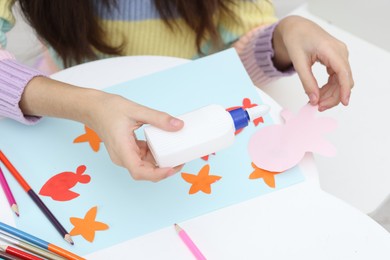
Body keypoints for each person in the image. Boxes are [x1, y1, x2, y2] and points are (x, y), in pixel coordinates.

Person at [0, 0, 354, 182]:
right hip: (59, 108)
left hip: (184, 113)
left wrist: (283, 36)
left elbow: (230, 60)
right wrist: (89, 105)